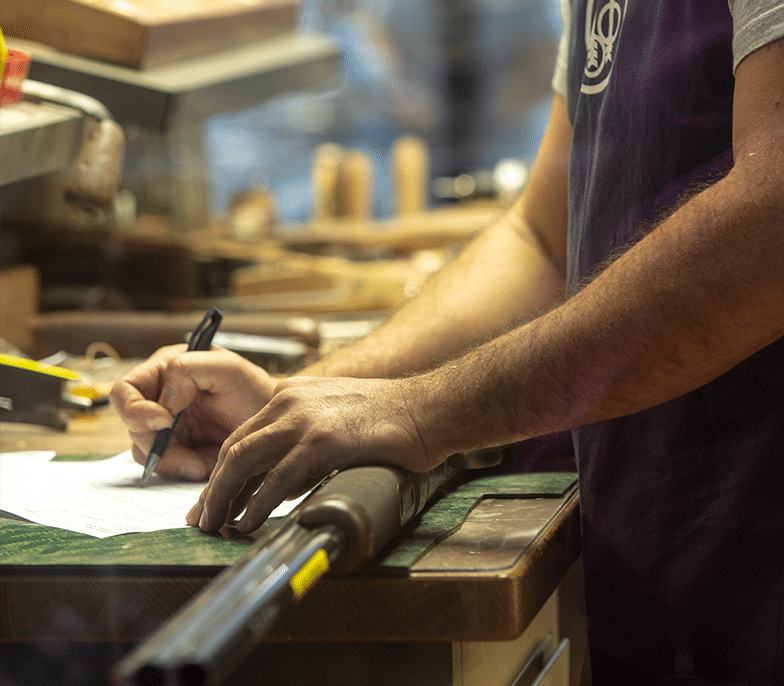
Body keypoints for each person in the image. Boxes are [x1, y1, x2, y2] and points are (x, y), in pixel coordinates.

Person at [111, 1, 784, 683]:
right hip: (663, 573)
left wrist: (423, 410)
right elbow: (545, 242)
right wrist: (310, 398)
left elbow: (773, 222)